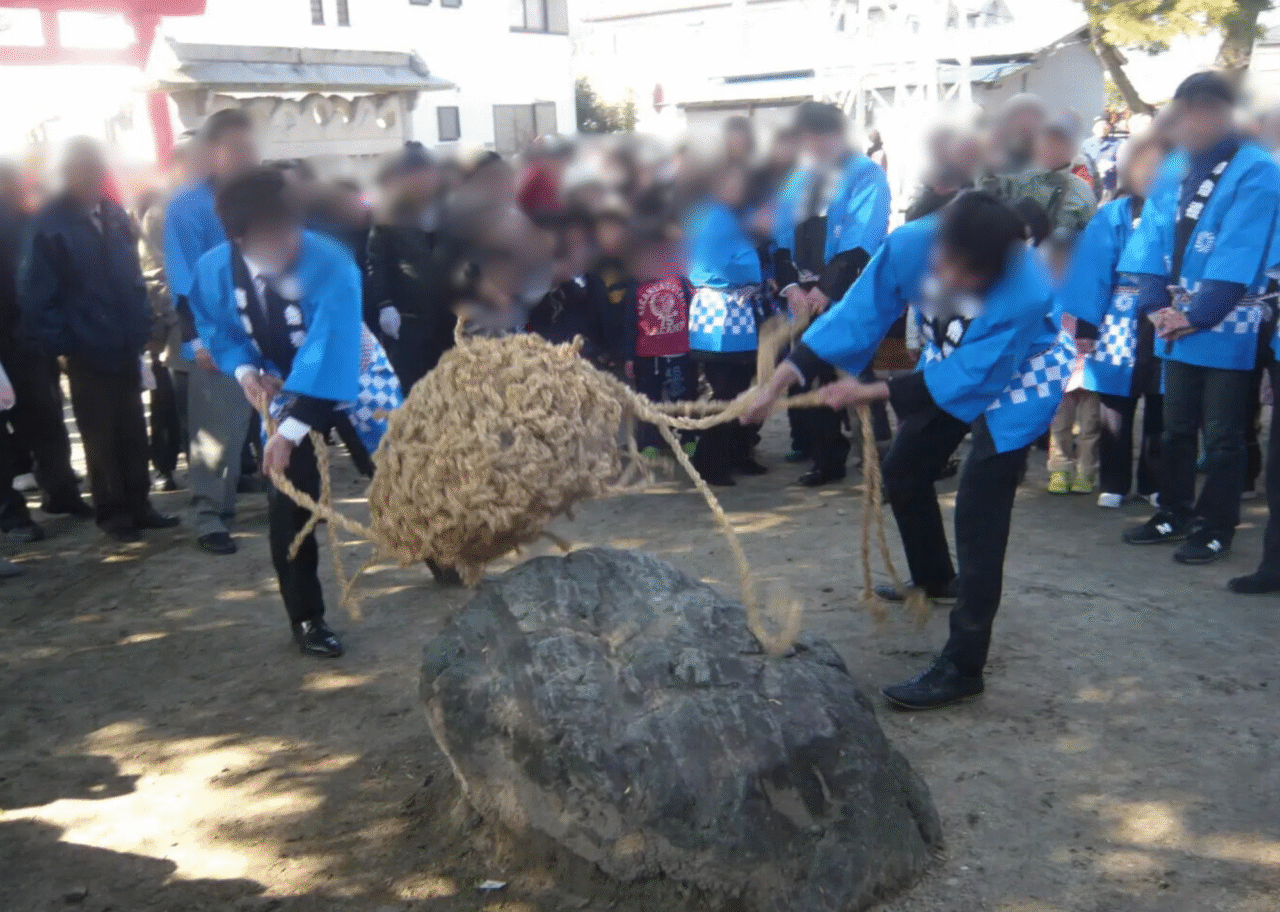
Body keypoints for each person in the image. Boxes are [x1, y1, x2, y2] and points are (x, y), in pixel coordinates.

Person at [745, 191, 1069, 710]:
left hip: (1022, 372)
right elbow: (856, 316)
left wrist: (870, 391)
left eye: (960, 272)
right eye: (941, 258)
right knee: (904, 471)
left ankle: (964, 664)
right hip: (952, 356)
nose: (942, 273)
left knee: (981, 509)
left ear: (993, 268)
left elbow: (973, 376)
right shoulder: (913, 244)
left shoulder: (1025, 288)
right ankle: (936, 577)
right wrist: (777, 382)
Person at [188, 167, 403, 657]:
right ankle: (306, 617)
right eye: (270, 234)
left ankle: (440, 549)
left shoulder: (331, 262)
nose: (287, 242)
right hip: (279, 376)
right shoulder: (214, 270)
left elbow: (333, 352)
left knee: (403, 462)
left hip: (352, 359)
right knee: (287, 498)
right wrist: (245, 373)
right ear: (239, 239)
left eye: (289, 227)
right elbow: (219, 330)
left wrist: (290, 429)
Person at [1121, 72, 1280, 565]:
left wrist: (1197, 314)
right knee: (1173, 424)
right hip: (1174, 318)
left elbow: (1240, 249)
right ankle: (1173, 509)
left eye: (1205, 112)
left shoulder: (1259, 170)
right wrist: (1154, 307)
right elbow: (1149, 239)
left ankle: (1216, 526)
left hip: (1230, 317)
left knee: (1224, 433)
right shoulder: (1173, 166)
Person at [18, 138, 178, 542]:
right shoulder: (50, 224)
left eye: (96, 171)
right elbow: (35, 295)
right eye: (81, 171)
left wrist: (143, 327)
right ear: (67, 175)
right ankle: (113, 515)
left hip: (125, 343)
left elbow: (132, 277)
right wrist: (64, 344)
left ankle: (140, 505)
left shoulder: (113, 215)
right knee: (99, 436)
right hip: (84, 350)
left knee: (131, 429)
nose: (91, 179)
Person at [773, 101, 892, 486]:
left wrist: (826, 290)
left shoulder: (865, 173)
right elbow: (778, 239)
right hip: (801, 297)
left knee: (854, 370)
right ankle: (826, 457)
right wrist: (792, 287)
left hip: (847, 293)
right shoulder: (794, 179)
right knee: (809, 375)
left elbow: (862, 237)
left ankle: (876, 456)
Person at [164, 108, 260, 555]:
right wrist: (196, 340)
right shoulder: (188, 206)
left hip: (264, 325)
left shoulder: (261, 197)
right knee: (213, 430)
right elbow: (183, 282)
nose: (246, 156)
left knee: (273, 418)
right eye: (236, 148)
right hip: (216, 330)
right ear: (212, 151)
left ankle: (280, 494)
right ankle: (209, 515)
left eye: (249, 147)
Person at [1062, 132, 1169, 508]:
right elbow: (1092, 270)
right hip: (1118, 316)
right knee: (1114, 404)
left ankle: (1155, 481)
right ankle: (1114, 481)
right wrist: (1088, 326)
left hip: (1166, 315)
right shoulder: (1111, 214)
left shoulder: (1179, 211)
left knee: (1162, 401)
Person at [0, 163, 89, 525]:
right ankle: (11, 512)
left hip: (29, 340)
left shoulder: (29, 222)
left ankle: (61, 492)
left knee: (47, 419)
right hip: (9, 338)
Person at [686, 160, 767, 487]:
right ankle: (711, 462)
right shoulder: (709, 216)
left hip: (740, 309)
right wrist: (751, 276)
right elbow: (718, 262)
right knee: (723, 390)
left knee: (743, 385)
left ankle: (739, 453)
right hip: (717, 310)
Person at [366, 142, 453, 390]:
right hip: (407, 318)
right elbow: (377, 261)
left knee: (446, 386)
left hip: (446, 315)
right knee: (409, 386)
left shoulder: (446, 206)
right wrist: (384, 305)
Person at [620, 222, 696, 458]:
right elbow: (629, 322)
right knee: (649, 401)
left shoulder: (681, 279)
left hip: (679, 352)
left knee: (683, 399)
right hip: (647, 355)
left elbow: (694, 310)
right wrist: (629, 357)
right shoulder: (635, 283)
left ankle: (688, 438)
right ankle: (650, 441)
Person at [1042, 228, 1100, 495]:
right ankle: (1059, 469)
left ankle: (1086, 472)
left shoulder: (1095, 281)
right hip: (1059, 361)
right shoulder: (1047, 281)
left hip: (1091, 361)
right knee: (1059, 421)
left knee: (1090, 423)